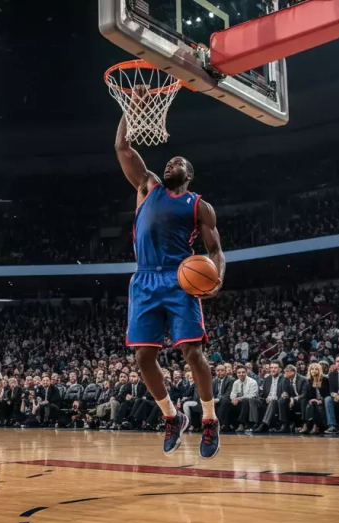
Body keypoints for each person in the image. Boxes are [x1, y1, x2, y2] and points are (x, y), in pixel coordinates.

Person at [115, 99, 226, 458]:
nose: (169, 164)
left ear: (188, 174)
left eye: (177, 162)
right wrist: (131, 109)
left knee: (192, 352)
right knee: (142, 357)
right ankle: (172, 416)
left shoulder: (199, 205)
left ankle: (209, 419)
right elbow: (122, 147)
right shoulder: (147, 186)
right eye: (168, 162)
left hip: (180, 279)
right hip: (145, 279)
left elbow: (216, 251)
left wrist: (217, 279)